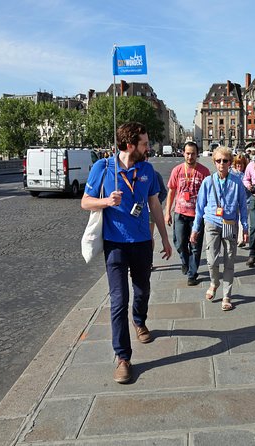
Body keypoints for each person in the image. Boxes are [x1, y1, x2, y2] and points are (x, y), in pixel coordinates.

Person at [81, 122, 172, 384]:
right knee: (118, 301)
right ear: (129, 145)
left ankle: (139, 319)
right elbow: (85, 202)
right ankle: (123, 357)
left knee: (142, 290)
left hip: (143, 241)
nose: (148, 147)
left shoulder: (148, 170)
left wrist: (165, 239)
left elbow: (154, 203)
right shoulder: (103, 167)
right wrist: (106, 201)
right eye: (144, 143)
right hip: (115, 244)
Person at [191, 147, 249, 311]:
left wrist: (244, 228)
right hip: (211, 222)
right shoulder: (208, 182)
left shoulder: (237, 182)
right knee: (212, 260)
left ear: (230, 162)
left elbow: (243, 207)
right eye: (218, 161)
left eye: (225, 160)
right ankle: (214, 282)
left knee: (229, 261)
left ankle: (226, 295)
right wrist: (195, 229)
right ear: (214, 162)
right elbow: (200, 207)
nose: (222, 164)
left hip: (229, 223)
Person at [164, 142, 210, 286]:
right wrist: (167, 212)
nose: (190, 156)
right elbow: (171, 191)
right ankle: (185, 261)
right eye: (187, 153)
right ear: (183, 153)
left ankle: (192, 273)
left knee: (195, 246)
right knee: (180, 243)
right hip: (180, 212)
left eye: (193, 153)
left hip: (197, 215)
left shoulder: (204, 172)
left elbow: (209, 195)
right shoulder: (177, 170)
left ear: (197, 154)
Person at [147, 151, 168, 271]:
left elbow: (164, 192)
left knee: (149, 236)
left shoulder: (155, 174)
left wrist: (156, 203)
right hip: (136, 211)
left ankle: (149, 261)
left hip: (150, 211)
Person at [231, 154, 249, 247]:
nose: (239, 166)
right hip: (233, 201)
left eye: (241, 164)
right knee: (235, 220)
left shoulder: (246, 173)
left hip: (245, 200)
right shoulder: (231, 173)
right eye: (238, 164)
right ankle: (236, 237)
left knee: (243, 219)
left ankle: (241, 239)